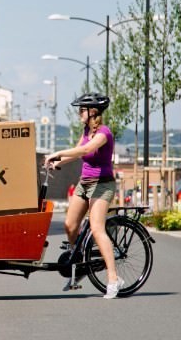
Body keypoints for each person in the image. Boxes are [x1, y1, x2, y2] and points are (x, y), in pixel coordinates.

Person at [44, 93, 123, 299]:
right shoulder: (87, 131)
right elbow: (79, 151)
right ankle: (79, 265)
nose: (79, 113)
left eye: (82, 110)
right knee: (70, 225)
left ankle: (113, 278)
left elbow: (87, 149)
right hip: (84, 183)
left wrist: (57, 152)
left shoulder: (104, 133)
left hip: (102, 185)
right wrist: (57, 163)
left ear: (93, 112)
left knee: (97, 228)